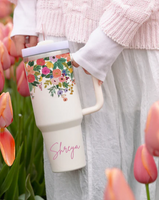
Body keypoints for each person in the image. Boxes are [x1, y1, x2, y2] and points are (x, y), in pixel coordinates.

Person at [10, 0, 159, 199]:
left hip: (128, 42)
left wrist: (105, 42)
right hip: (53, 46)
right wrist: (26, 14)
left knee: (136, 172)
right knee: (67, 168)